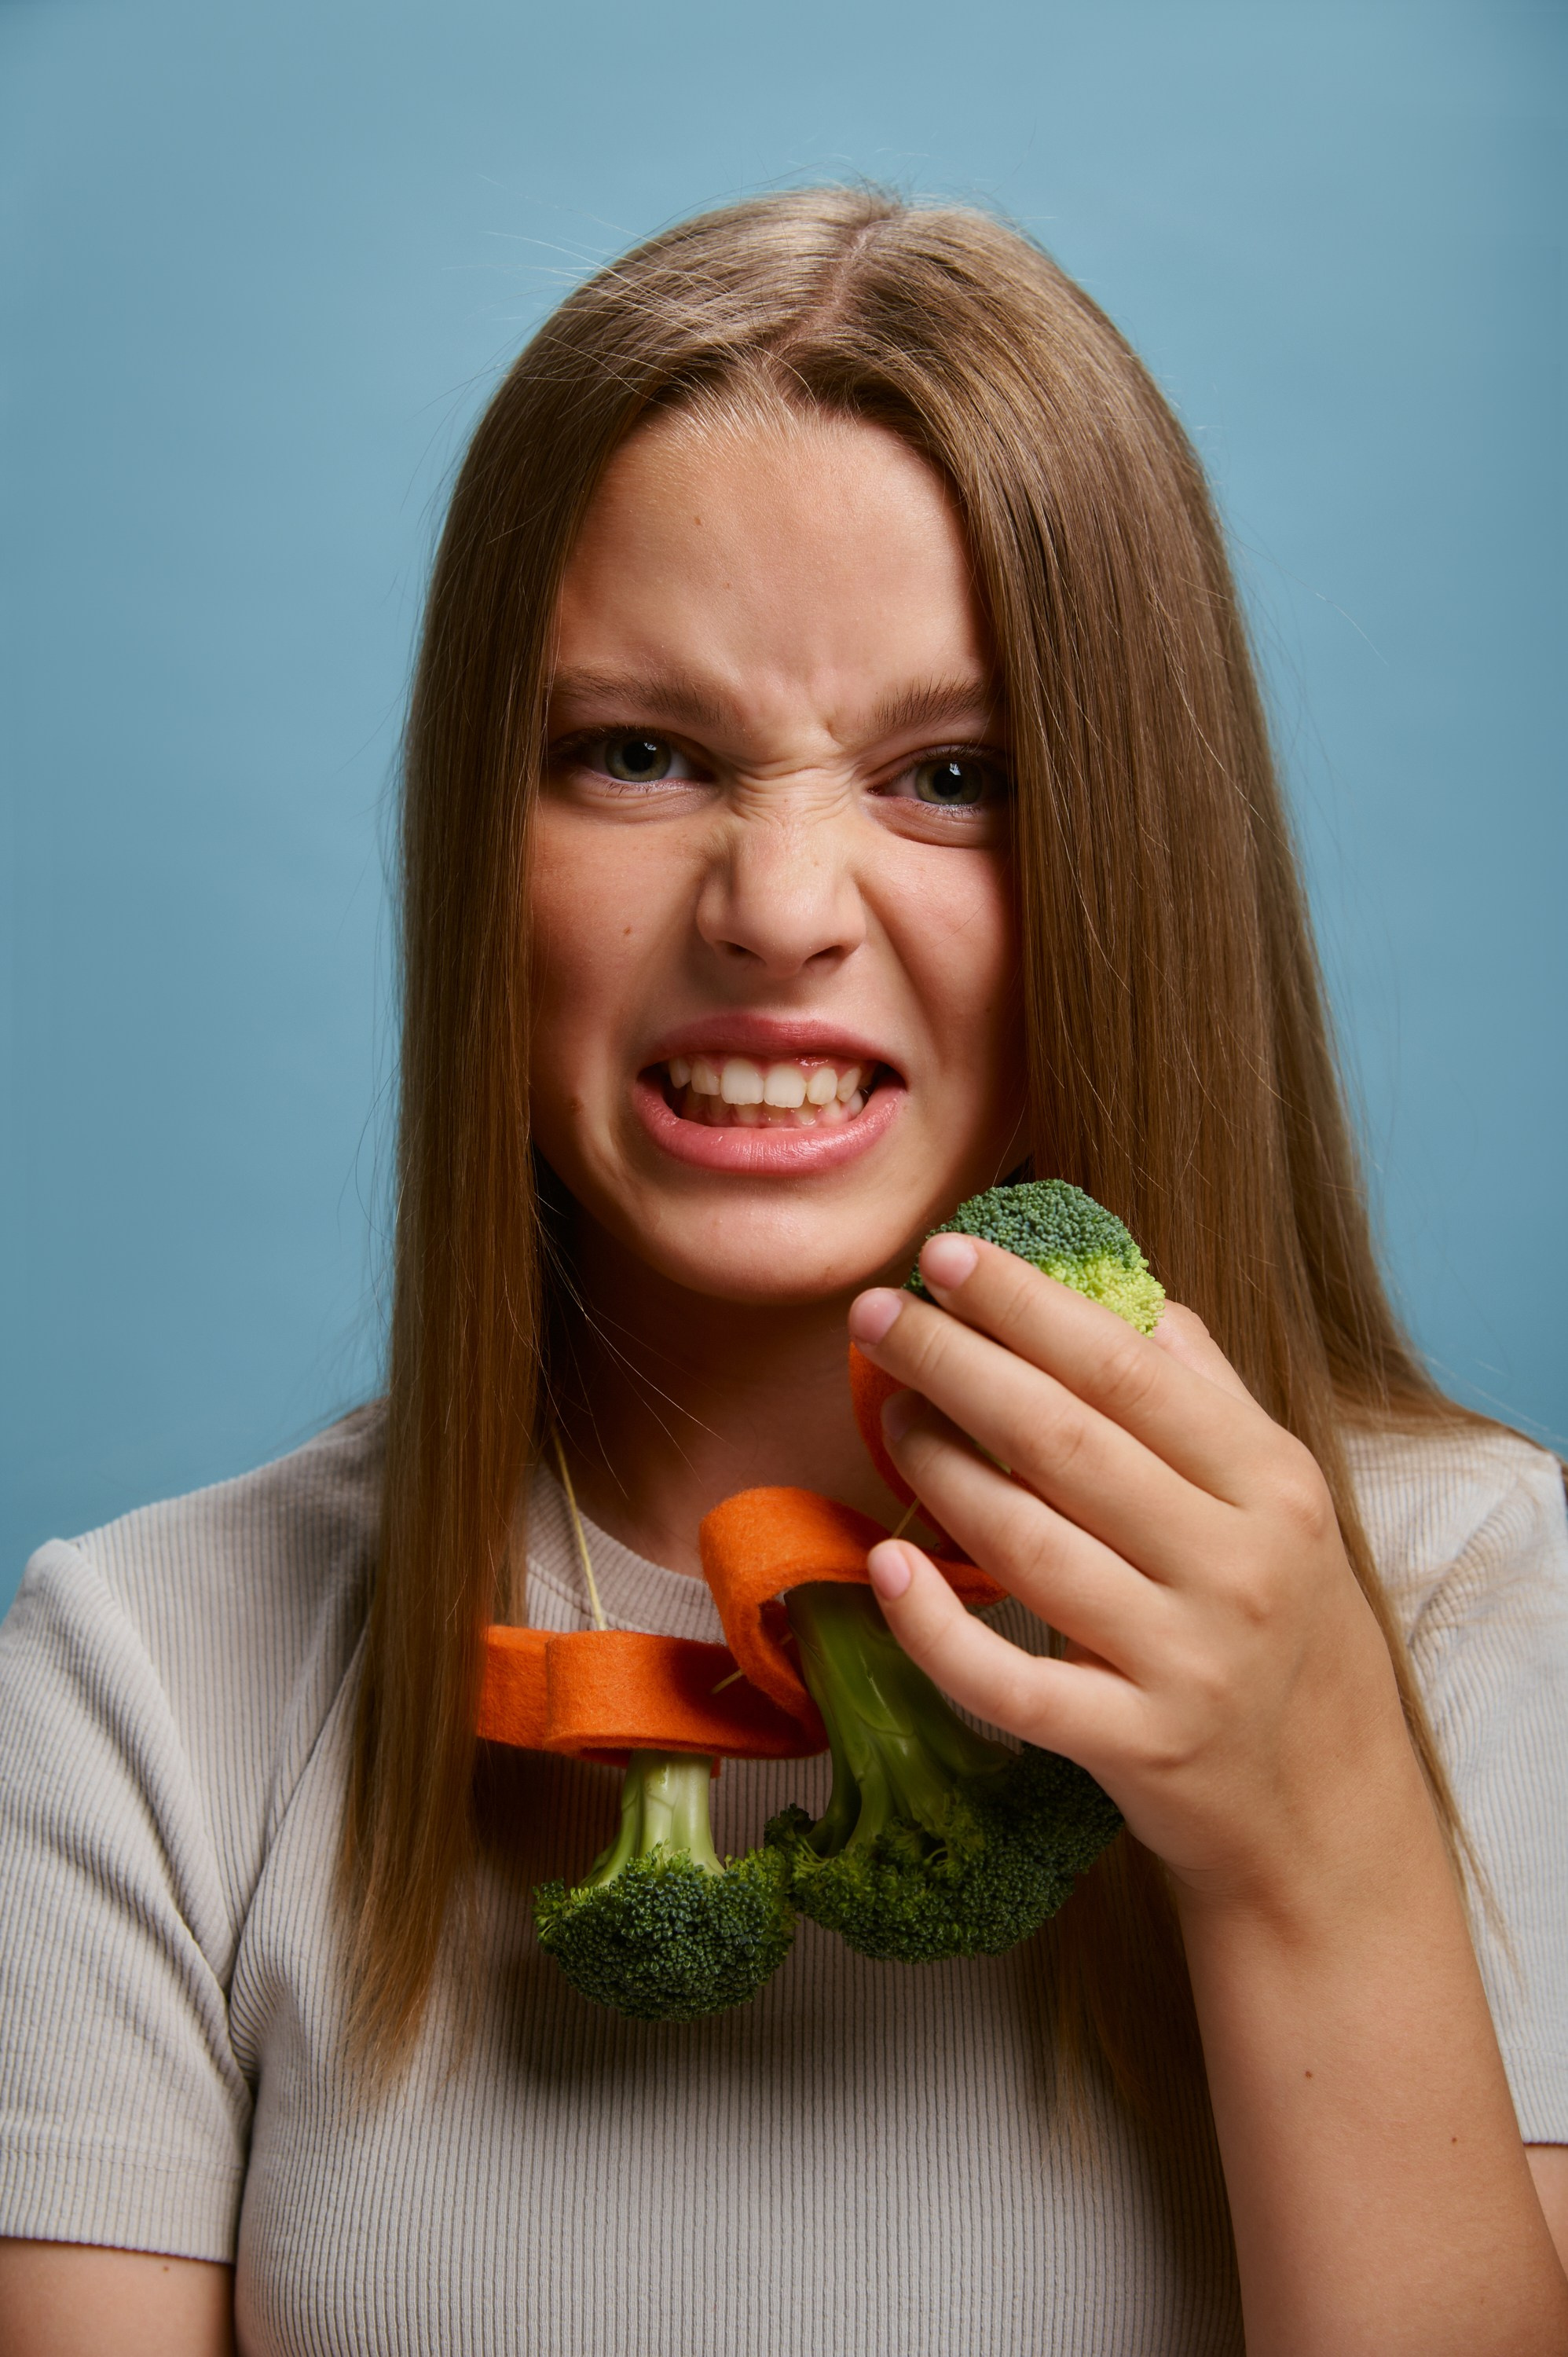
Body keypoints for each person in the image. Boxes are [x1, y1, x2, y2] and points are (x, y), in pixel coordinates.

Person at [0, 189, 1563, 2357]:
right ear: (485, 833)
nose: (775, 904)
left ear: (1129, 863)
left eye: (950, 779)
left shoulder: (1485, 1608)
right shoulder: (139, 1689)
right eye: (638, 753)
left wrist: (1312, 1839)